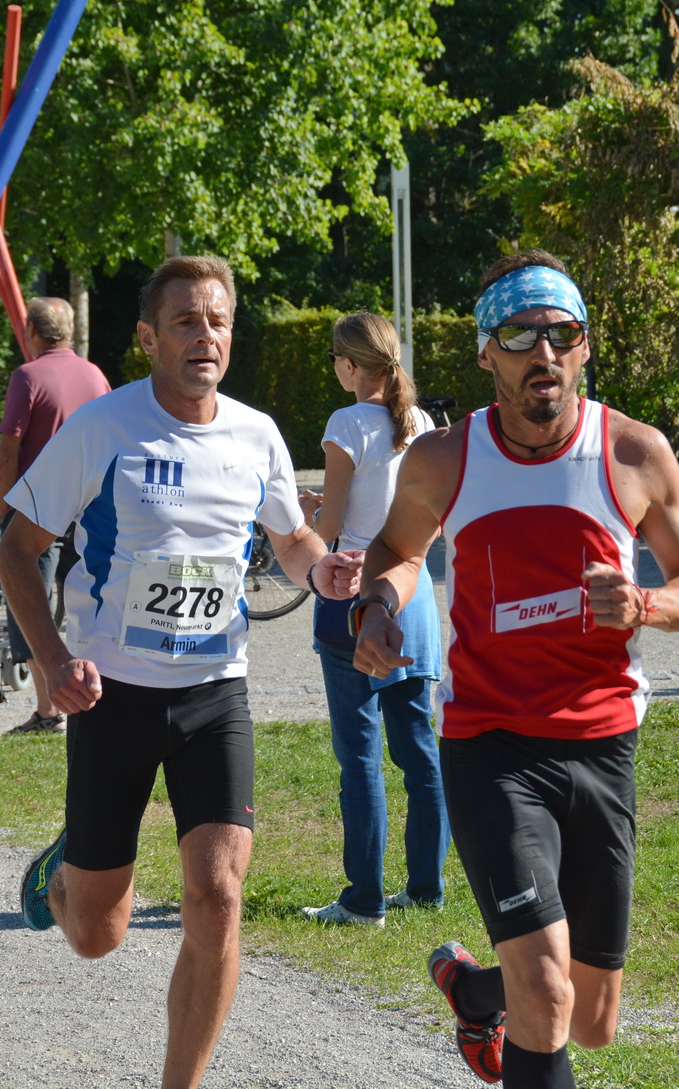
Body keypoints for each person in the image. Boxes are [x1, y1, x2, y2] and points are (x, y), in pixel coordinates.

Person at [317, 251, 679, 1089]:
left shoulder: (635, 452)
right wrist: (379, 607)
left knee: (592, 1014)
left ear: (585, 346)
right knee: (545, 989)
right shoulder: (445, 457)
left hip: (602, 744)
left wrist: (646, 603)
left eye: (561, 334)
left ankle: (475, 990)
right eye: (519, 335)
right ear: (486, 353)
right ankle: (505, 996)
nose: (544, 352)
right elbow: (397, 550)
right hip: (490, 742)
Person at [0, 256, 336, 1089]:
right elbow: (16, 548)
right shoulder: (101, 428)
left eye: (218, 321)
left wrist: (324, 569)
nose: (205, 336)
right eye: (186, 321)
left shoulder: (255, 434)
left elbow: (292, 539)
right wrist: (53, 660)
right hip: (112, 697)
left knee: (218, 897)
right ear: (149, 338)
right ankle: (66, 871)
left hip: (215, 693)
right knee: (96, 935)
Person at [295, 312, 447, 927]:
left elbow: (332, 527)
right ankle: (426, 887)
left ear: (350, 364)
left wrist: (305, 515)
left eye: (335, 358)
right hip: (416, 590)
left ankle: (363, 899)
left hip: (353, 590)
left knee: (359, 752)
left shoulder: (345, 423)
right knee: (418, 746)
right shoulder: (422, 422)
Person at [0, 296, 110, 735]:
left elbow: (9, 449)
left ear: (31, 332)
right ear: (71, 331)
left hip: (38, 510)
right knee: (90, 601)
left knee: (31, 601)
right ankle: (96, 691)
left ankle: (48, 711)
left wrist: (5, 508)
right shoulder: (95, 375)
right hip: (90, 510)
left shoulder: (27, 376)